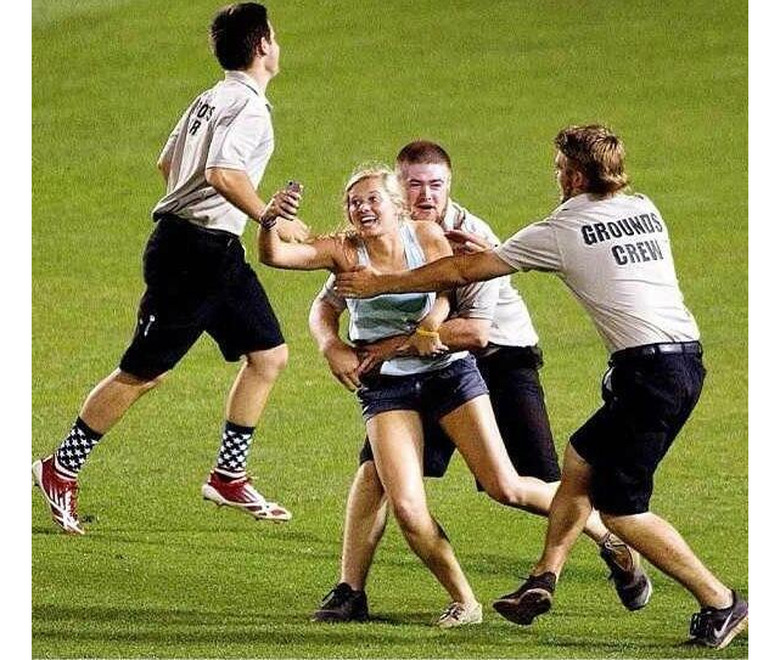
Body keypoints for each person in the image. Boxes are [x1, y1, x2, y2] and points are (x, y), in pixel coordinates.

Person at [333, 125, 747, 650]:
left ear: (573, 175)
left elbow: (463, 274)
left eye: (558, 168)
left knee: (621, 509)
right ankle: (543, 576)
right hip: (673, 361)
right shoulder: (644, 207)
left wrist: (381, 284)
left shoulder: (561, 227)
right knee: (579, 462)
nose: (555, 176)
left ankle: (720, 601)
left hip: (643, 375)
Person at [310, 141, 650, 624]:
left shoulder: (471, 237)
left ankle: (609, 536)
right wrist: (330, 344)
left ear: (450, 185)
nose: (425, 195)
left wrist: (387, 347)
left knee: (516, 486)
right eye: (413, 184)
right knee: (377, 473)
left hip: (498, 358)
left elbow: (472, 332)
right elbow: (329, 300)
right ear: (396, 187)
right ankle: (350, 589)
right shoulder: (383, 234)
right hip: (419, 368)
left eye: (436, 185)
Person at [32, 3, 309, 535]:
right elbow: (223, 172)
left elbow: (168, 163)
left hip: (213, 252)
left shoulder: (210, 98)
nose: (277, 44)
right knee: (143, 372)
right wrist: (269, 216)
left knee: (269, 354)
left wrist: (196, 207)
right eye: (273, 36)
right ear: (261, 46)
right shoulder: (249, 109)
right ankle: (59, 468)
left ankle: (228, 475)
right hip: (191, 256)